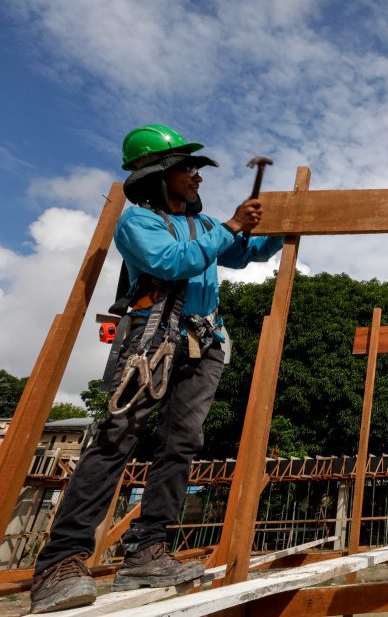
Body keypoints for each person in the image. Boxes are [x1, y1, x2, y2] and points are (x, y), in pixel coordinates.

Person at [30, 125, 284, 613]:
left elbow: (247, 253)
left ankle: (147, 550)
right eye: (188, 170)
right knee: (115, 439)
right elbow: (171, 263)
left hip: (203, 338)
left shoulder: (203, 226)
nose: (197, 179)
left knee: (182, 442)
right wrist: (230, 226)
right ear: (159, 176)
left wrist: (279, 226)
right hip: (150, 340)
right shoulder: (138, 224)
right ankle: (60, 562)